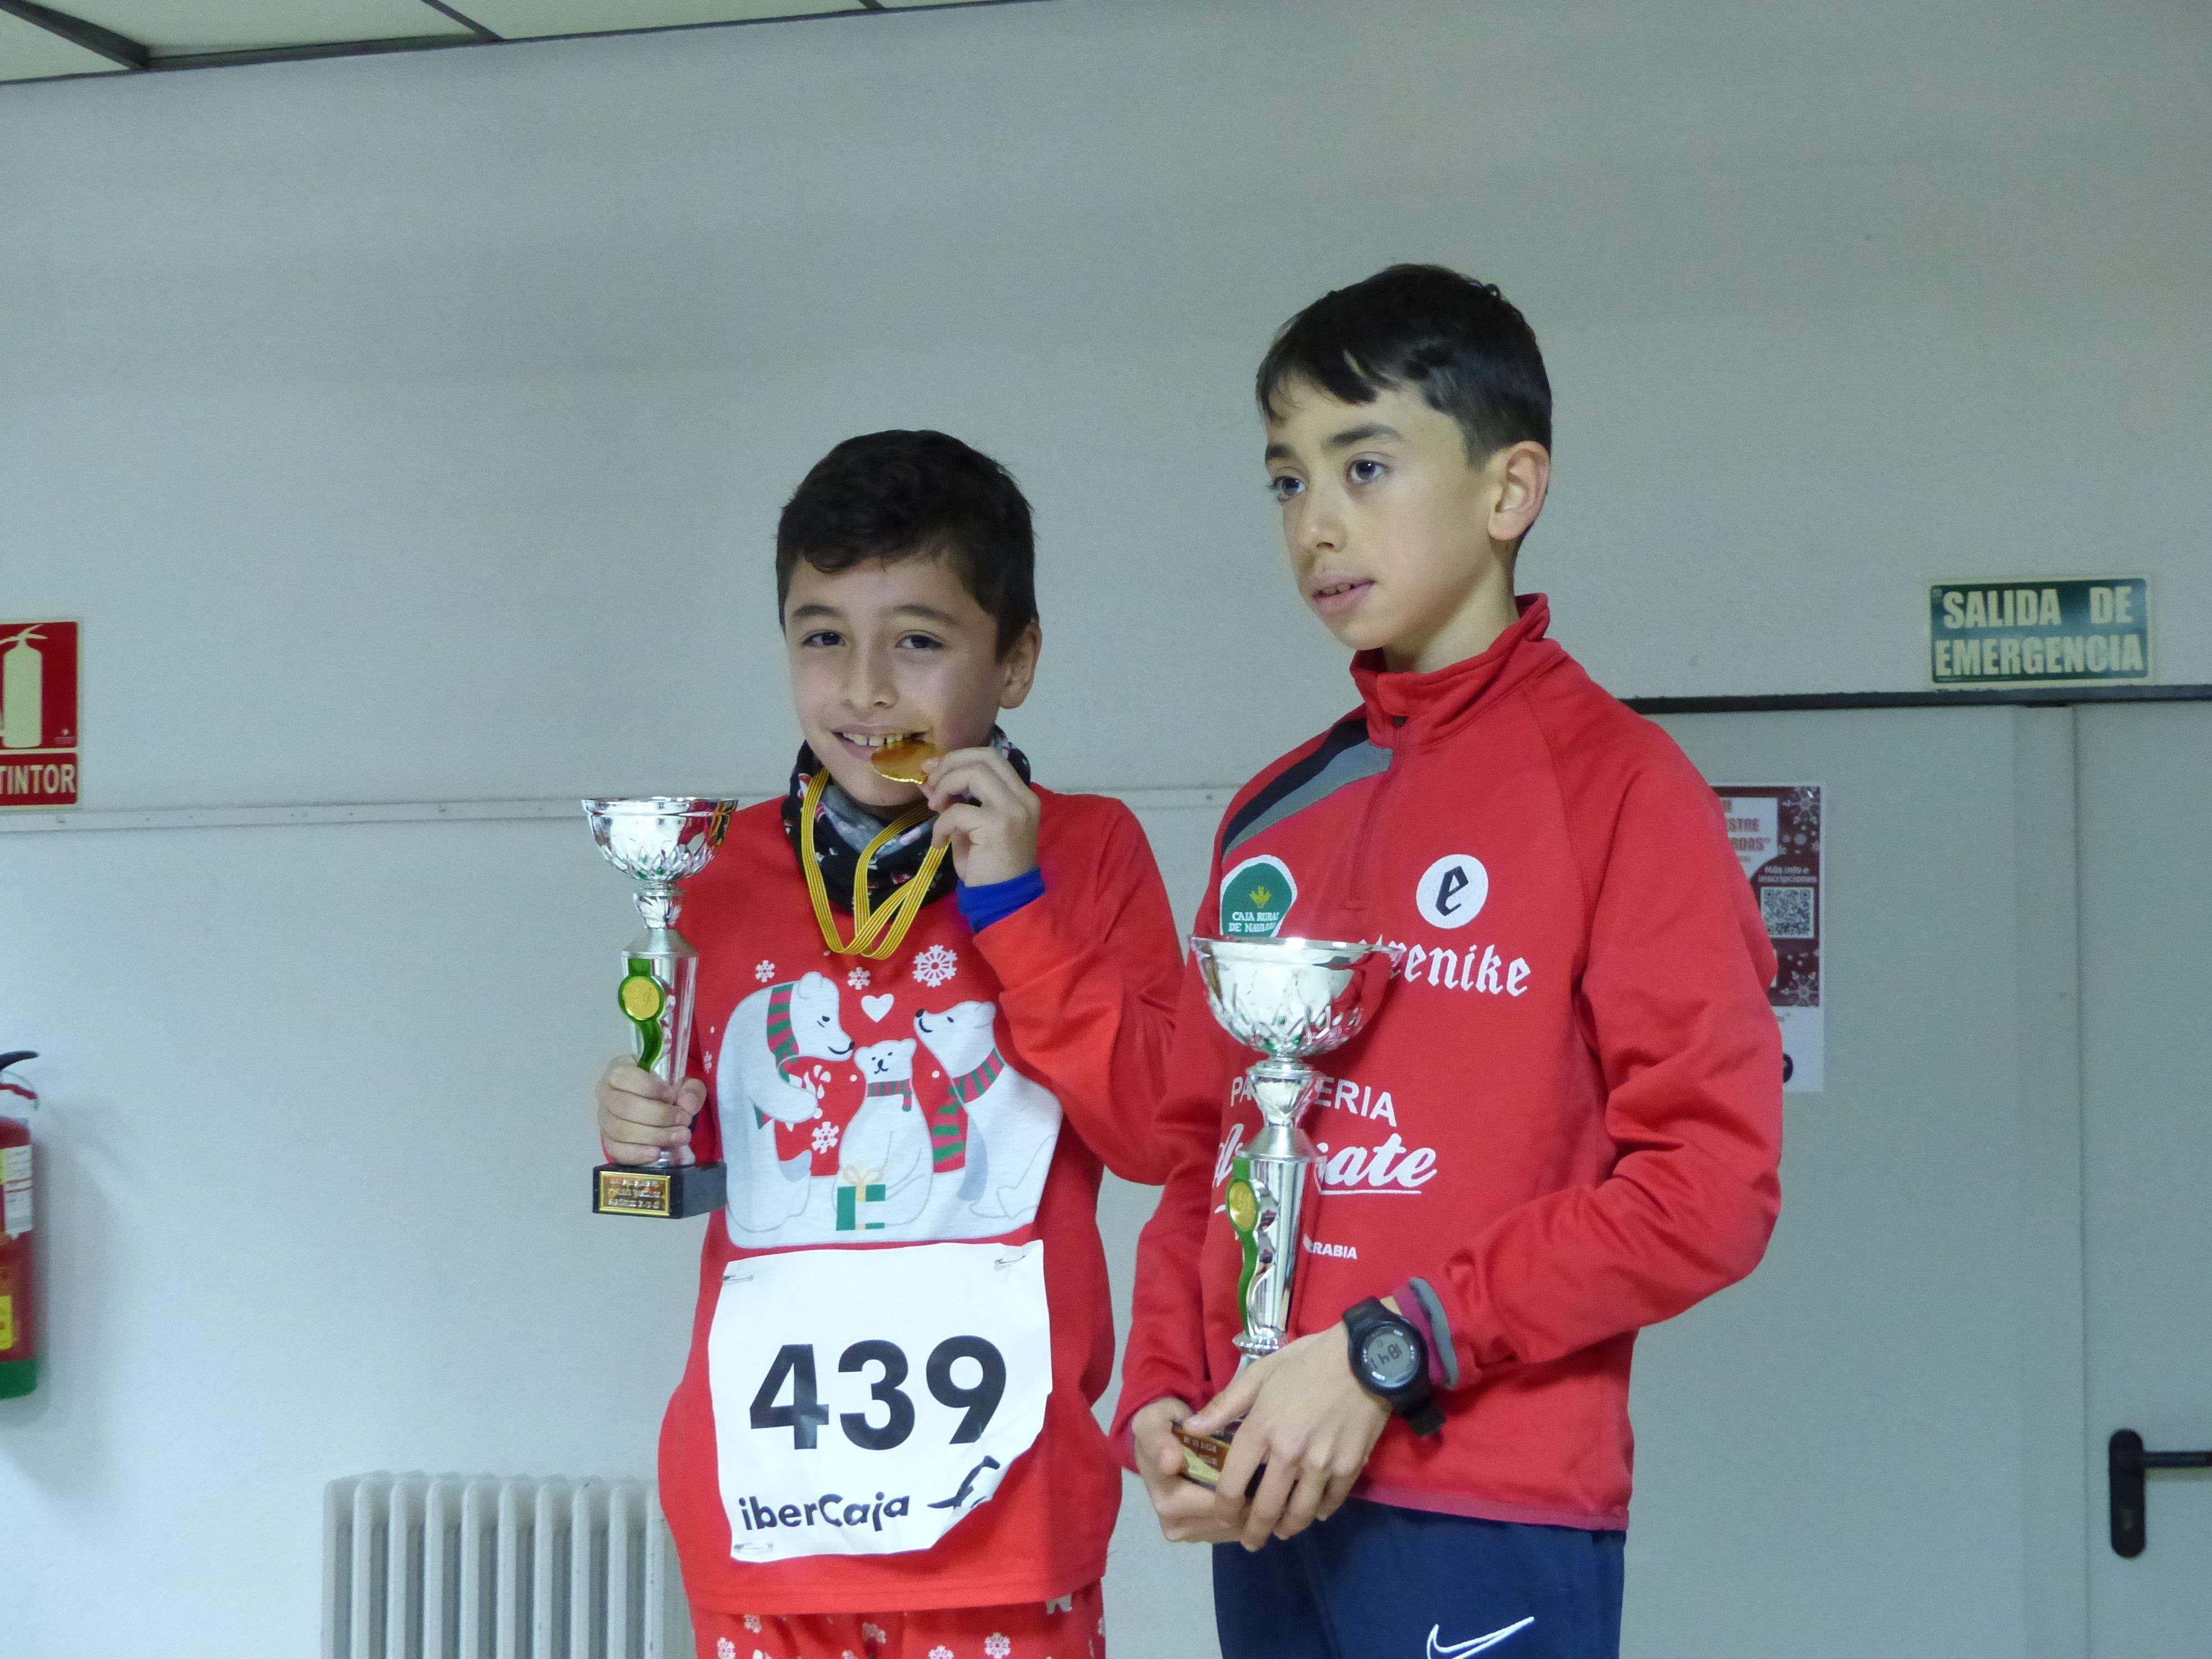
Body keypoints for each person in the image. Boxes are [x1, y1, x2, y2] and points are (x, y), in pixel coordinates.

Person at [1115, 265, 1785, 1659]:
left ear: (1507, 491)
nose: (1316, 523)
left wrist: (1391, 1346)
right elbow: (1205, 1155)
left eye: (1364, 464)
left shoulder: (1620, 789)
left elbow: (1709, 1187)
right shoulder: (1268, 813)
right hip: (1268, 1491)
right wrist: (1164, 1392)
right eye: (1286, 480)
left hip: (1489, 1504)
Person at [597, 429, 1181, 1659]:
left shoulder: (1089, 852)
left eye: (916, 640)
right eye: (823, 637)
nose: (864, 689)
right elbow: (711, 1169)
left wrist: (1015, 910)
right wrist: (643, 1129)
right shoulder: (717, 870)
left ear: (1014, 660)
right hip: (765, 1521)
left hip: (1005, 1528)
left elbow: (1155, 1132)